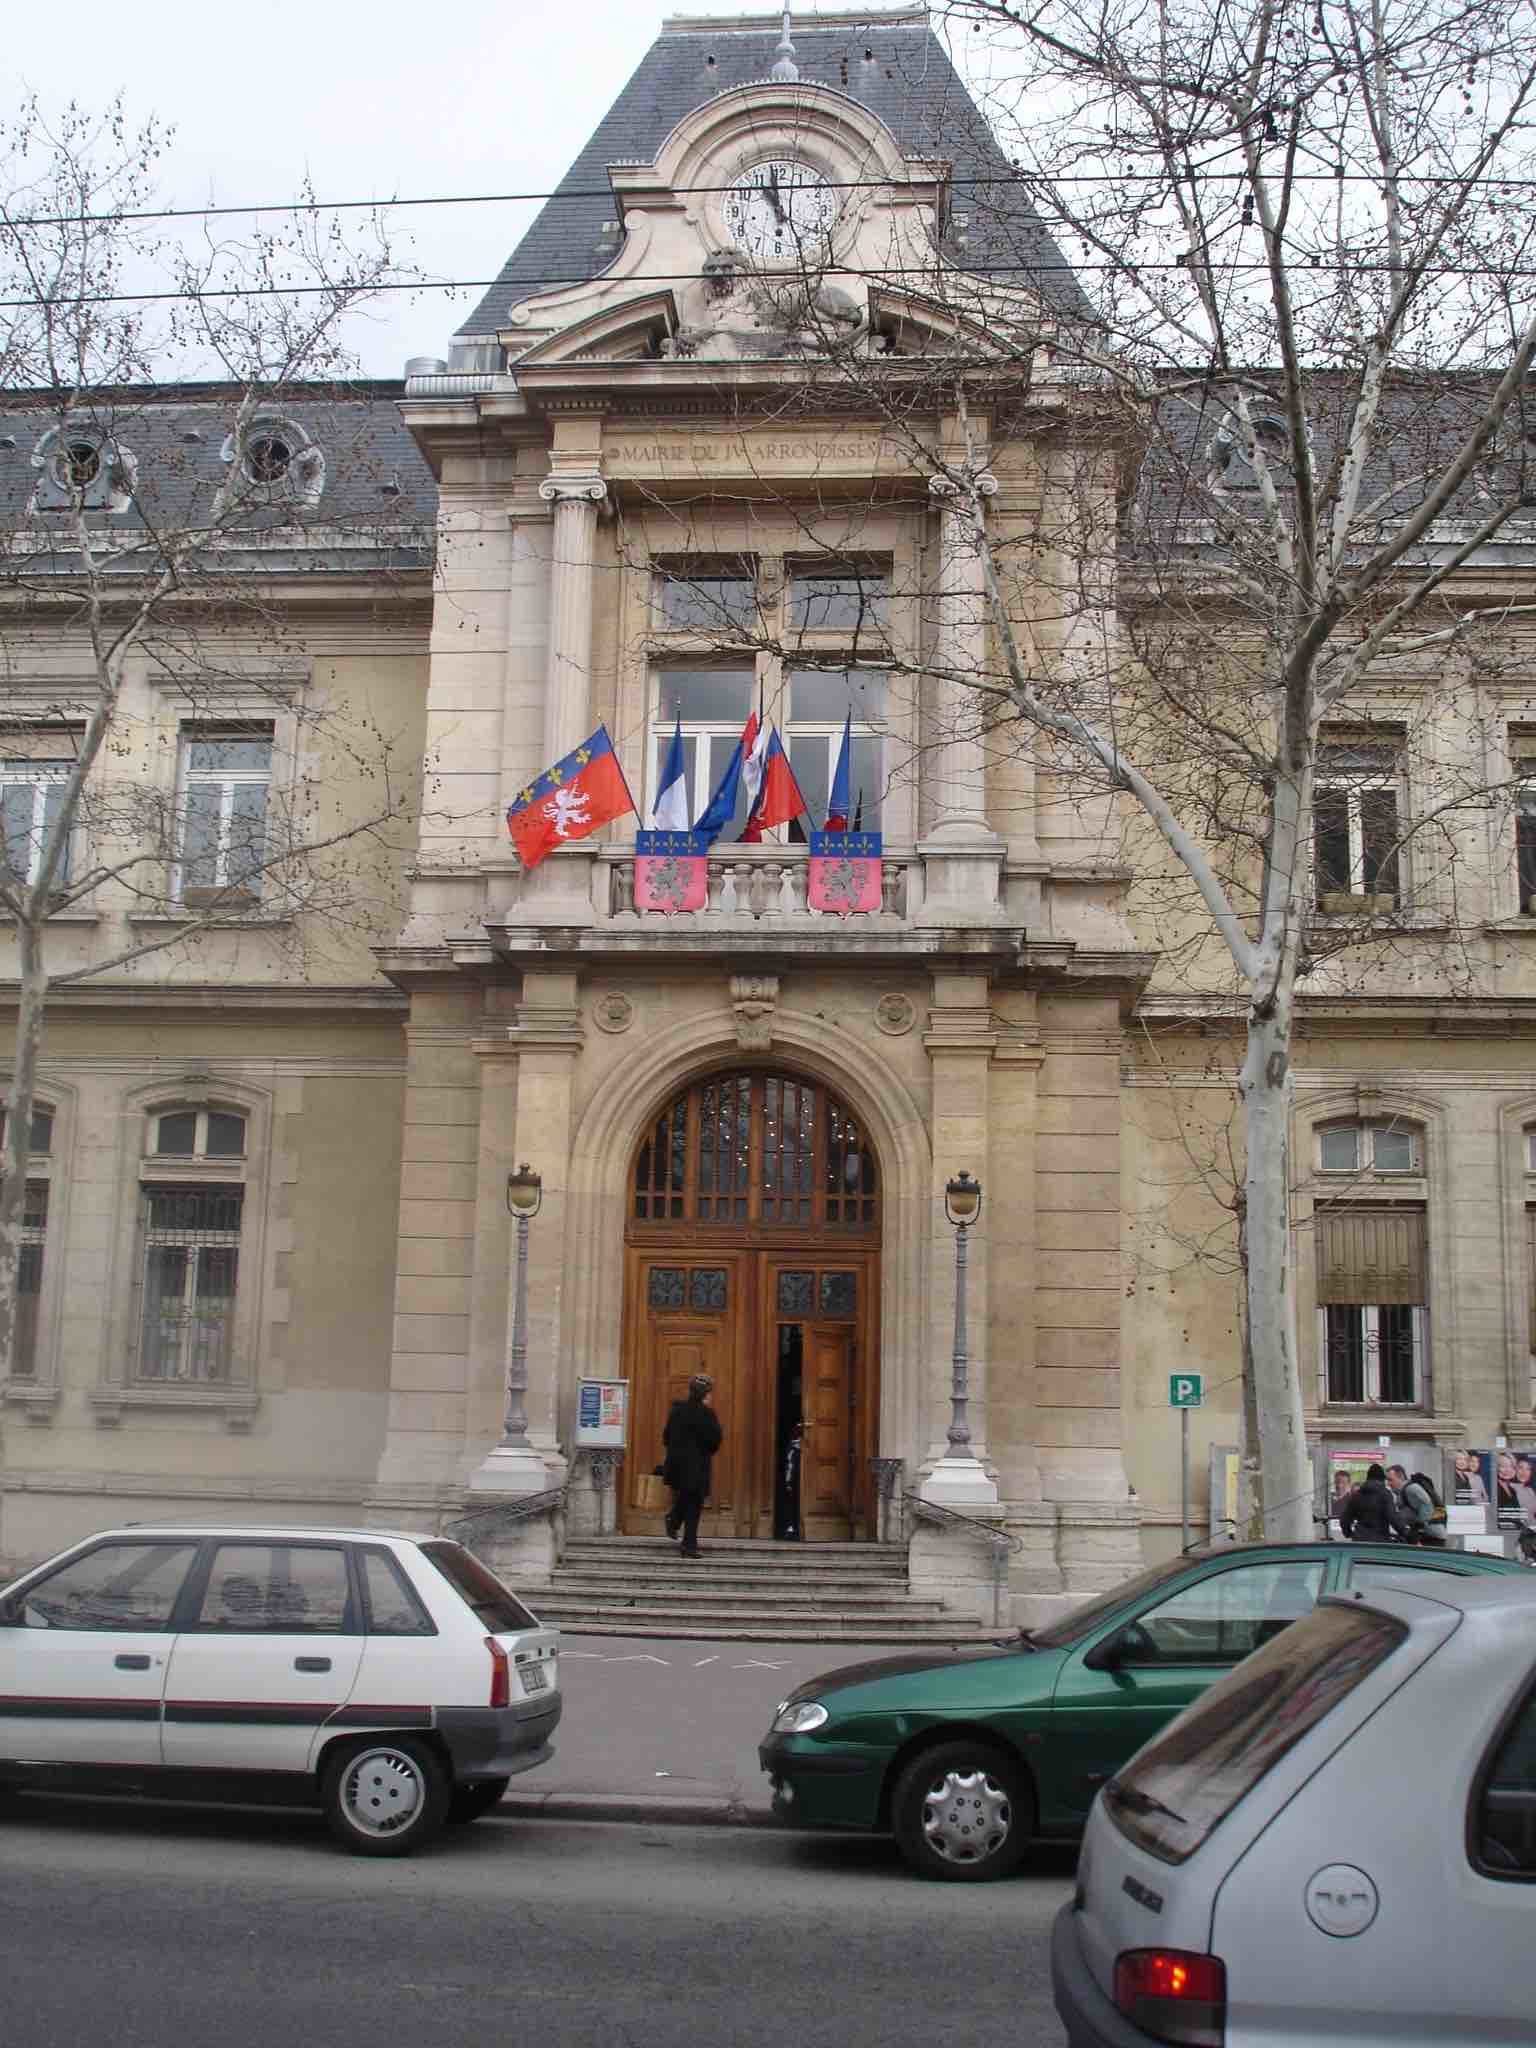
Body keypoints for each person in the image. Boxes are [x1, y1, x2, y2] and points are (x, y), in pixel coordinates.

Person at [662, 1373, 723, 1559]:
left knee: (687, 1497)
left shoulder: (676, 1411)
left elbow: (666, 1437)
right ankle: (688, 1544)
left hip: (677, 1464)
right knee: (694, 1503)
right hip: (697, 1465)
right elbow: (714, 1441)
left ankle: (674, 1521)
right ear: (705, 1394)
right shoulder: (707, 1414)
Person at [1339, 1462, 1413, 1542]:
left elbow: (1344, 1520)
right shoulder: (1385, 1494)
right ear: (1381, 1479)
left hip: (1359, 1542)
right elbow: (1393, 1518)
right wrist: (1408, 1534)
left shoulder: (1356, 1496)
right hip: (1379, 1542)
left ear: (1368, 1478)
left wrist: (1349, 1533)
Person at [1388, 1464, 1446, 1546]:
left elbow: (1426, 1504)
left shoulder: (1411, 1488)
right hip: (1428, 1536)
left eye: (1391, 1480)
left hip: (1431, 1537)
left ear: (1400, 1477)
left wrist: (1418, 1530)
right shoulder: (1403, 1492)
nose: (1388, 1483)